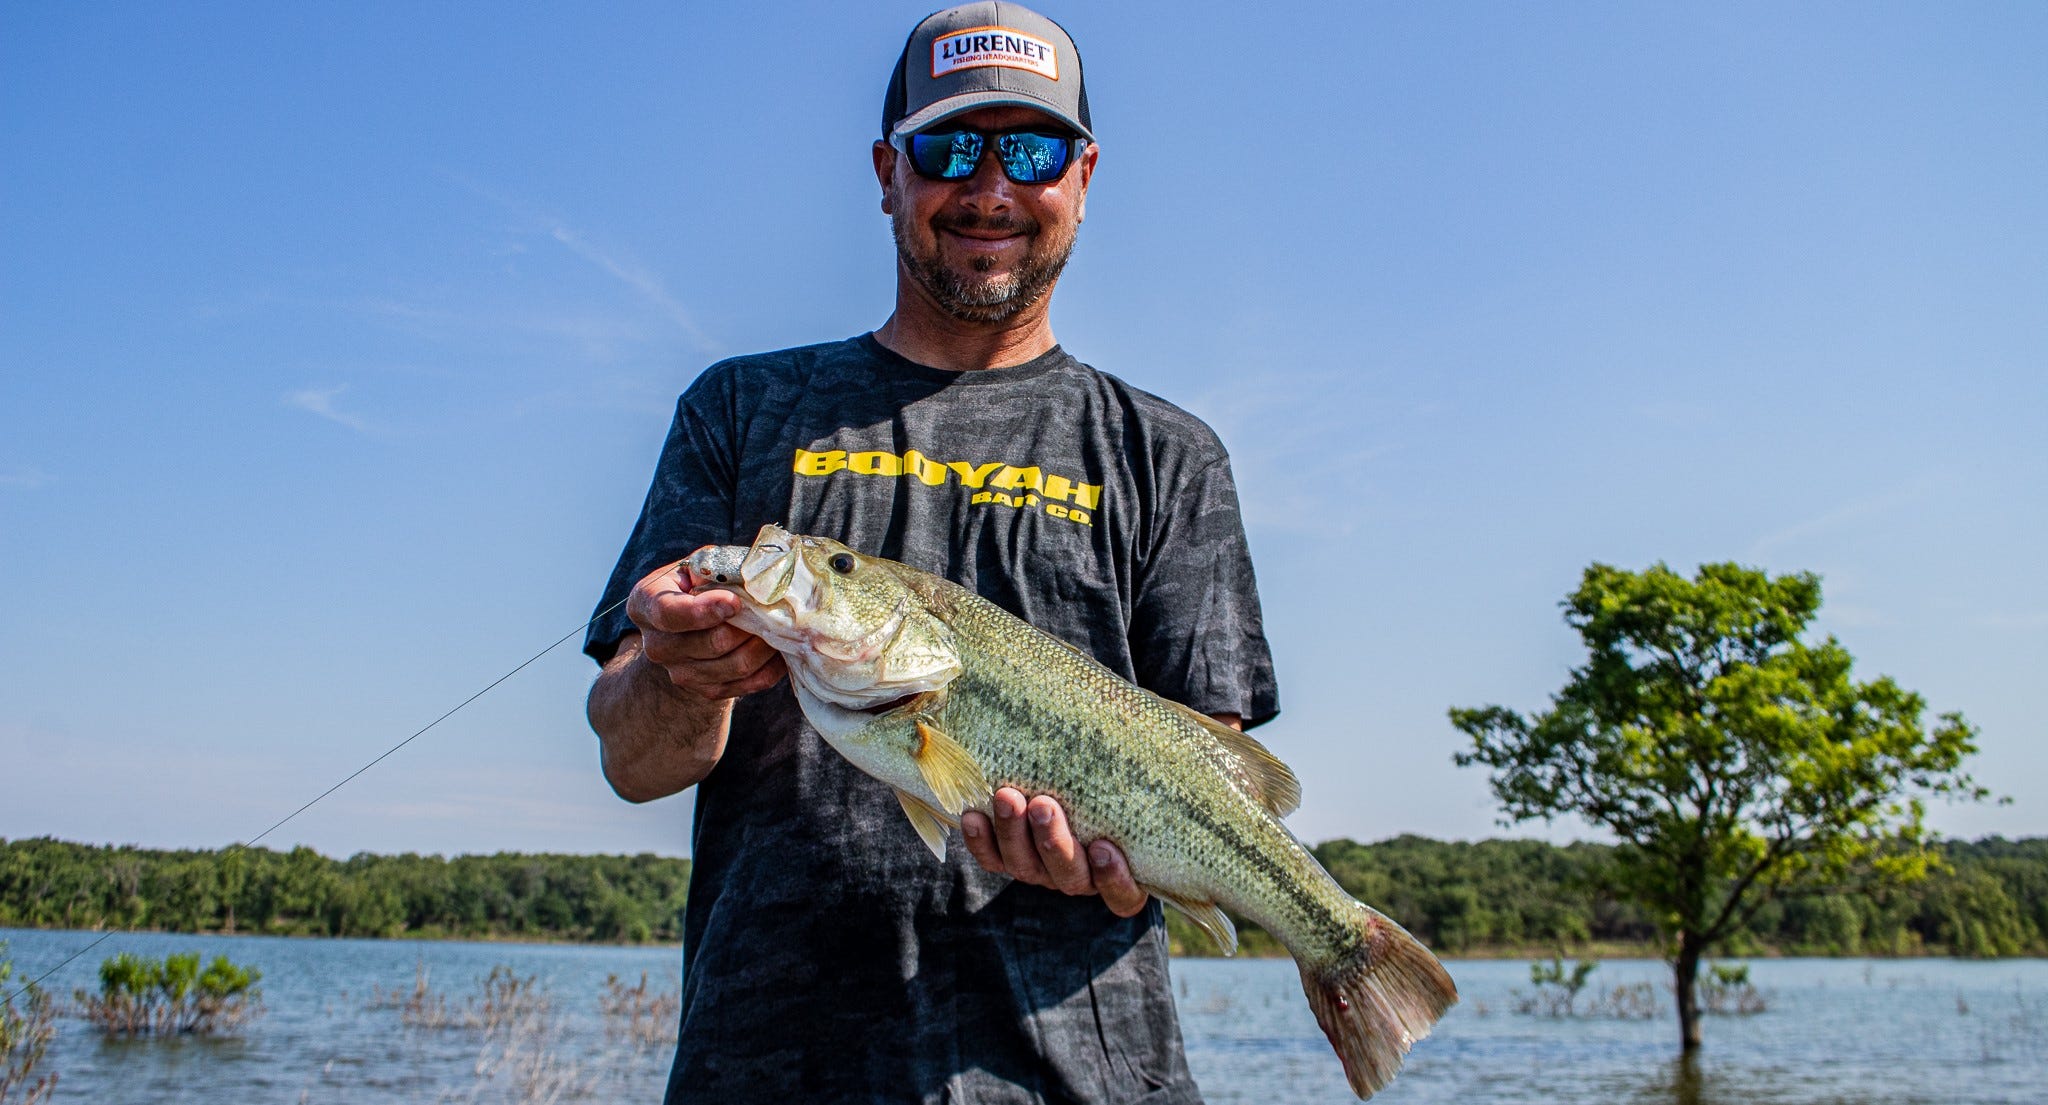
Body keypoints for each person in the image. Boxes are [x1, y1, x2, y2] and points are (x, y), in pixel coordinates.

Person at [584, 5, 1278, 1102]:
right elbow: (633, 763)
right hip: (768, 1071)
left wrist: (1112, 860)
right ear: (886, 172)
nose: (989, 187)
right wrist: (676, 672)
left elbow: (1203, 773)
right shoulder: (741, 410)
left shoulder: (1170, 455)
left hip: (1084, 1078)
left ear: (1084, 174)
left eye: (1032, 149)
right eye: (949, 147)